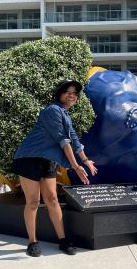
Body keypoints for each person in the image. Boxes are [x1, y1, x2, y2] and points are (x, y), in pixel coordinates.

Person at [11, 79, 98, 257]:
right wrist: (75, 166)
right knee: (33, 202)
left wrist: (86, 160)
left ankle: (63, 240)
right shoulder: (52, 111)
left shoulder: (65, 114)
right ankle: (32, 242)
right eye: (68, 92)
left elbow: (74, 139)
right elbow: (63, 140)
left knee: (52, 199)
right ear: (60, 93)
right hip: (29, 158)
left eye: (75, 93)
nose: (72, 96)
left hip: (47, 160)